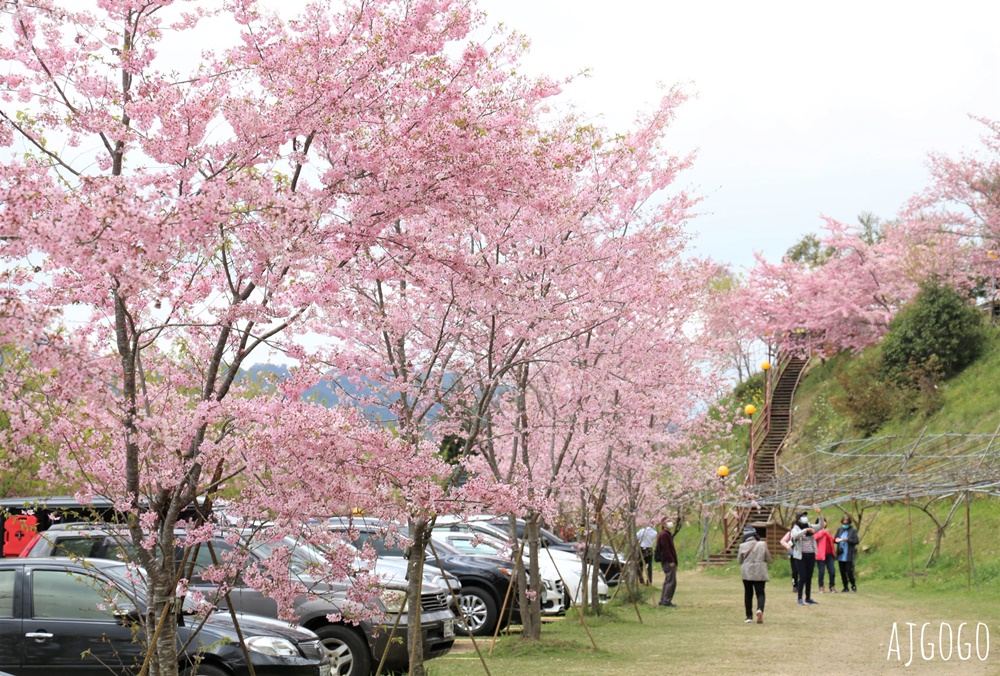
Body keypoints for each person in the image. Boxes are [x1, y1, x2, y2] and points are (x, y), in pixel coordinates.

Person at [737, 525, 771, 624]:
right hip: (760, 570)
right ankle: (760, 609)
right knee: (760, 592)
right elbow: (768, 558)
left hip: (746, 571)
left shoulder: (742, 546)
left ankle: (748, 616)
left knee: (748, 593)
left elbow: (739, 561)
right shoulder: (762, 544)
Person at [789, 508, 821, 606]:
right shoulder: (796, 528)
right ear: (798, 519)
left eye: (805, 516)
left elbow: (820, 526)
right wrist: (805, 530)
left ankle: (808, 598)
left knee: (808, 577)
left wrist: (820, 514)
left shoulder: (810, 526)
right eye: (803, 516)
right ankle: (799, 598)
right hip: (800, 556)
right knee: (802, 577)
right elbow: (795, 536)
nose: (805, 518)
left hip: (811, 554)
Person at [655, 518, 678, 607]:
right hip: (668, 561)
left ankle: (663, 599)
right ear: (664, 524)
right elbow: (665, 549)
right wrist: (671, 560)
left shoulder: (666, 534)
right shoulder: (664, 535)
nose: (670, 522)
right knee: (671, 581)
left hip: (668, 560)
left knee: (668, 580)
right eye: (668, 521)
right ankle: (666, 600)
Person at [834, 515, 860, 592]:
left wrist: (848, 540)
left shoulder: (853, 530)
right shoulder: (840, 529)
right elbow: (835, 539)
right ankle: (845, 587)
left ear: (849, 523)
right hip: (841, 554)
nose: (845, 524)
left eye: (846, 523)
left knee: (849, 571)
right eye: (844, 523)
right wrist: (837, 540)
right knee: (842, 572)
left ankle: (853, 585)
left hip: (848, 554)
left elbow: (856, 541)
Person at [813, 518, 837, 593]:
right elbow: (814, 538)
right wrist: (823, 532)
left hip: (830, 554)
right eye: (821, 522)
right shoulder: (816, 531)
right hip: (820, 555)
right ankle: (821, 586)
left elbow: (832, 539)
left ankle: (832, 586)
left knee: (832, 571)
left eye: (825, 521)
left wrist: (837, 540)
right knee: (821, 572)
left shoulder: (828, 532)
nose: (824, 523)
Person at [780, 529, 798, 593]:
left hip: (801, 554)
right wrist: (788, 546)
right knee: (794, 571)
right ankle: (795, 586)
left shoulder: (803, 532)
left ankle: (800, 586)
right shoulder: (790, 533)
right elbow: (782, 541)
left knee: (801, 571)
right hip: (793, 554)